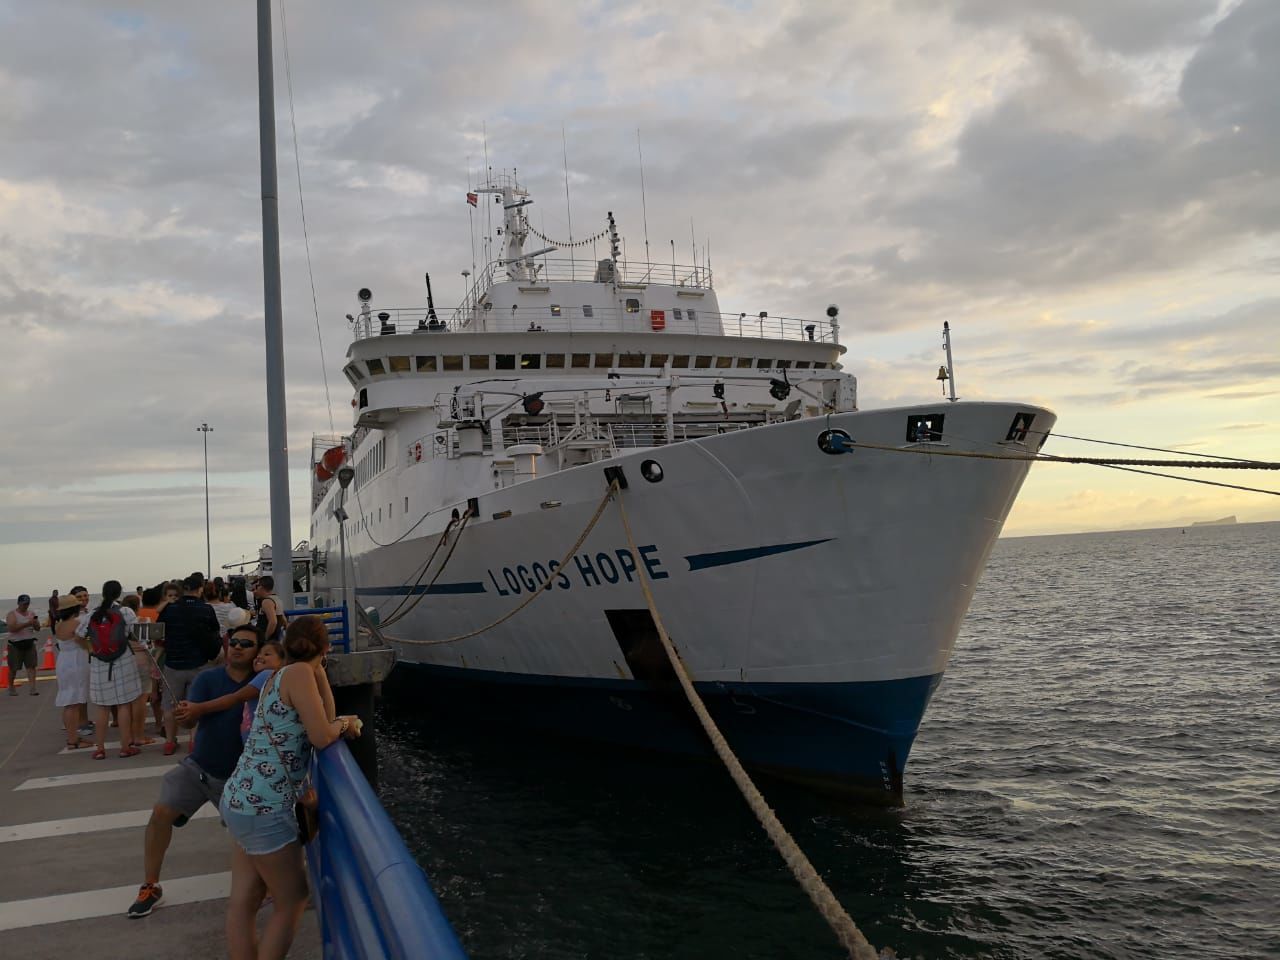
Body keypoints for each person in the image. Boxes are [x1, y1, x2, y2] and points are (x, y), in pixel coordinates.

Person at [220, 615, 359, 960]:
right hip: (265, 808)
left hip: (240, 797)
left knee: (245, 901)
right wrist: (346, 724)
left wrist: (320, 673)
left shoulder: (278, 676)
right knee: (293, 900)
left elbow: (321, 715)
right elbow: (323, 734)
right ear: (325, 648)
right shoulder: (298, 675)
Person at [127, 622, 264, 920]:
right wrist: (184, 716)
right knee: (161, 813)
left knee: (254, 842)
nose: (238, 646)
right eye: (235, 641)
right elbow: (190, 723)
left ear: (258, 653)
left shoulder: (264, 682)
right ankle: (151, 886)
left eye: (247, 643)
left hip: (239, 779)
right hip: (199, 768)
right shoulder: (208, 679)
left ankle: (281, 886)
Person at [157, 574, 222, 756]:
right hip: (198, 664)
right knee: (196, 704)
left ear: (183, 589)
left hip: (173, 664)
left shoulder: (170, 609)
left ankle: (170, 742)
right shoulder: (206, 609)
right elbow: (214, 633)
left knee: (169, 706)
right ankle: (194, 741)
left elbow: (159, 632)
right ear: (200, 589)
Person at [78, 580, 143, 759]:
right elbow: (136, 633)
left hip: (100, 663)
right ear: (119, 593)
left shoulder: (92, 614)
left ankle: (100, 748)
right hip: (122, 660)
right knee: (123, 704)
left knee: (102, 707)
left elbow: (79, 634)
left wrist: (92, 649)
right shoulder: (125, 611)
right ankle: (125, 746)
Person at [53, 595, 92, 747]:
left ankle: (72, 736)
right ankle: (73, 740)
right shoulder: (77, 623)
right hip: (76, 662)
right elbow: (81, 641)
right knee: (74, 702)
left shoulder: (59, 625)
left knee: (68, 700)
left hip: (63, 661)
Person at [5, 593, 40, 696]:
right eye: (24, 604)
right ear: (18, 603)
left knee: (31, 666)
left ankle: (33, 688)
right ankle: (11, 687)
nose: (26, 606)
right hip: (15, 644)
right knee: (13, 668)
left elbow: (37, 628)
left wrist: (35, 623)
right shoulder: (12, 614)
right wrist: (27, 623)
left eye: (27, 604)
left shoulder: (31, 613)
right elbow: (12, 628)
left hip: (29, 642)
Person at [252, 576, 287, 643]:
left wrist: (265, 639)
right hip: (275, 638)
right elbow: (283, 619)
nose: (256, 590)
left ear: (261, 587)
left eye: (257, 586)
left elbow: (273, 622)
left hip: (269, 639)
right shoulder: (277, 599)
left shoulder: (266, 601)